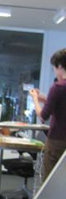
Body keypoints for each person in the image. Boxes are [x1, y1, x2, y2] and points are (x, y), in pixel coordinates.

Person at [30, 48, 66, 180]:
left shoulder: (57, 87)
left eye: (54, 68)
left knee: (50, 180)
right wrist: (45, 99)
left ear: (60, 66)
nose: (55, 72)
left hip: (57, 140)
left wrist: (35, 99)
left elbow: (43, 116)